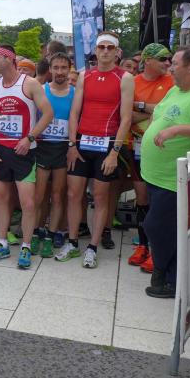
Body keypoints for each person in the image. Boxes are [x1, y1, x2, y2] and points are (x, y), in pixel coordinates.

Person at [136, 45, 190, 299]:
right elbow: (159, 114)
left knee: (157, 226)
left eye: (176, 64)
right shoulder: (175, 89)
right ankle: (165, 275)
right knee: (164, 226)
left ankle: (167, 277)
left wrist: (177, 130)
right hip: (156, 175)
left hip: (174, 178)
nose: (170, 68)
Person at [60, 32, 134, 268]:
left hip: (107, 143)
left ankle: (92, 247)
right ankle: (73, 242)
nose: (105, 51)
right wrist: (72, 144)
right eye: (101, 47)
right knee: (74, 194)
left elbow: (126, 118)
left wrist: (114, 152)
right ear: (95, 50)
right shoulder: (85, 75)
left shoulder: (125, 78)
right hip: (82, 142)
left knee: (101, 197)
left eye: (110, 48)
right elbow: (74, 112)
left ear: (117, 52)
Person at [0, 45, 54, 269]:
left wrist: (29, 138)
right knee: (0, 198)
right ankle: (2, 243)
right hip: (1, 150)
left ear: (10, 59)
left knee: (28, 202)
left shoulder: (29, 84)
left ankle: (25, 245)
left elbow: (48, 114)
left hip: (24, 151)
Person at [128, 43, 174, 271]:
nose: (168, 63)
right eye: (163, 59)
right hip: (136, 144)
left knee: (158, 199)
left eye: (169, 59)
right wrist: (152, 111)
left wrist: (140, 106)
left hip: (161, 148)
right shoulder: (133, 82)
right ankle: (143, 245)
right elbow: (126, 115)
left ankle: (157, 251)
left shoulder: (172, 82)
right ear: (148, 60)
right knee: (142, 196)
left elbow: (167, 113)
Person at [34, 52, 75, 257]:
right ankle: (35, 232)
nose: (59, 72)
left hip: (62, 149)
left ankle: (52, 234)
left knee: (58, 195)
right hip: (42, 147)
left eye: (63, 68)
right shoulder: (41, 90)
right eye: (56, 68)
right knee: (39, 195)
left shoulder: (75, 93)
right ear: (50, 69)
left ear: (69, 69)